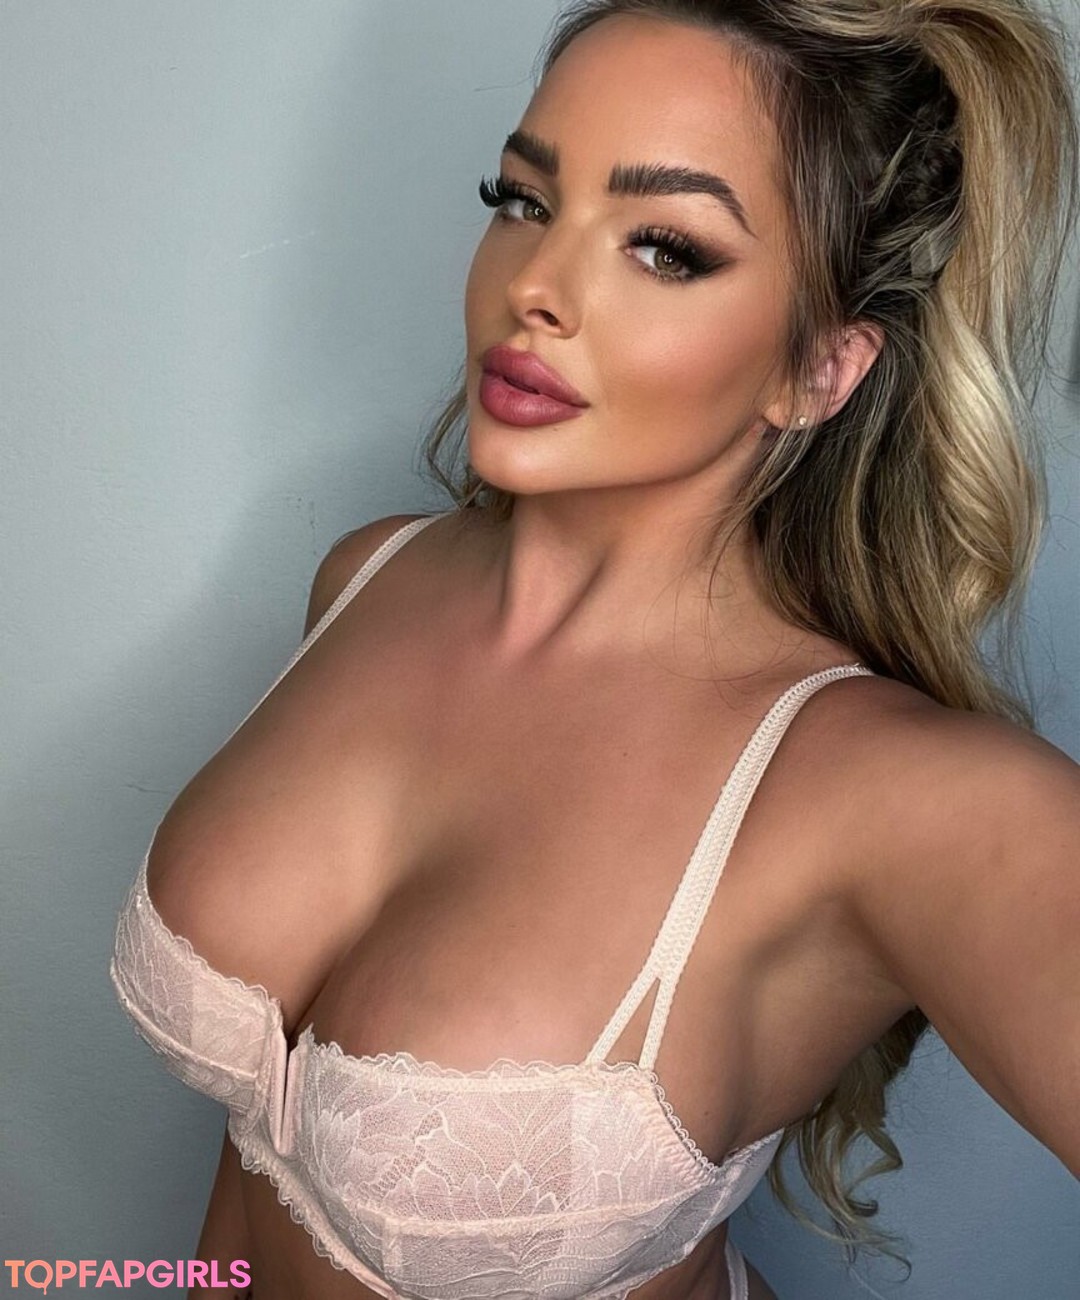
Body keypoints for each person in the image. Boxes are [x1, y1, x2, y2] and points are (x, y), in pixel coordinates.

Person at [109, 1, 1080, 1297]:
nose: (534, 289)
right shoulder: (367, 579)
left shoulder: (896, 799)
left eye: (666, 248)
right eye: (522, 200)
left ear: (820, 369)